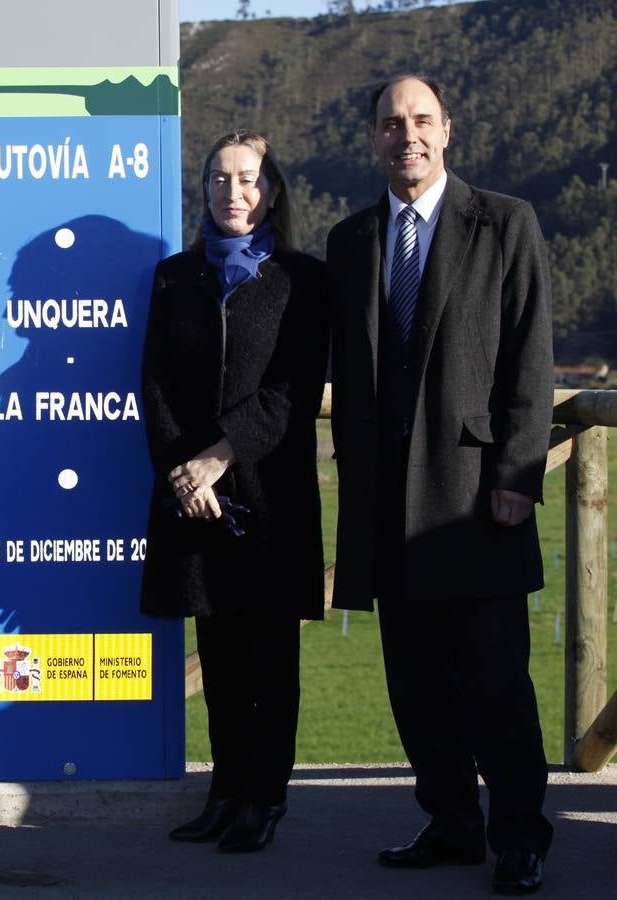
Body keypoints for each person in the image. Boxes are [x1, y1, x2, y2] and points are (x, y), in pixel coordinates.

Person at [327, 74, 553, 896]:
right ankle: (452, 824)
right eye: (391, 123)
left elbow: (532, 355)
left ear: (447, 132)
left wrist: (519, 475)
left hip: (475, 497)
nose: (406, 135)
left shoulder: (504, 223)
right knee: (416, 686)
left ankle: (521, 837)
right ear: (374, 139)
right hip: (388, 503)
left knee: (496, 681)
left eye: (421, 120)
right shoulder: (351, 242)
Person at [140, 130, 328, 853]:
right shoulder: (172, 277)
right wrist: (184, 473)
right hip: (196, 502)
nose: (233, 193)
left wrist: (219, 456)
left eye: (247, 179)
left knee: (269, 657)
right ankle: (224, 790)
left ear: (272, 187)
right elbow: (153, 383)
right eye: (220, 180)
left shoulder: (302, 279)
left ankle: (264, 797)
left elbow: (293, 389)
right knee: (217, 657)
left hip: (268, 497)